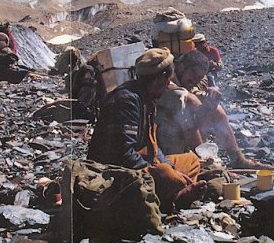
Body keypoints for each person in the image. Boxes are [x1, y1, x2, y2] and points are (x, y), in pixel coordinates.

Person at [87, 48, 208, 213]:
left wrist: (167, 165)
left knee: (190, 161)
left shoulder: (148, 99)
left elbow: (153, 147)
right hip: (115, 173)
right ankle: (174, 197)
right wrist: (159, 171)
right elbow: (123, 155)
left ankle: (173, 192)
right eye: (168, 81)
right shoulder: (127, 102)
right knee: (167, 175)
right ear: (159, 79)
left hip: (144, 164)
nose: (168, 86)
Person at [156, 50, 270, 170]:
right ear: (182, 66)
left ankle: (238, 159)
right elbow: (190, 100)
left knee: (217, 110)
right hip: (163, 131)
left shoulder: (195, 80)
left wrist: (210, 99)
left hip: (181, 128)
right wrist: (204, 104)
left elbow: (196, 94)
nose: (195, 80)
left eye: (199, 78)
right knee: (187, 117)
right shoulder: (168, 78)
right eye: (193, 75)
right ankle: (205, 164)